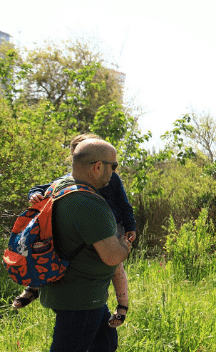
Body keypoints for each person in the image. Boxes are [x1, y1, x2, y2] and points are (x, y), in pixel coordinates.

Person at [16, 134, 137, 329]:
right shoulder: (69, 183)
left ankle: (122, 304)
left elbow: (124, 204)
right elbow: (42, 188)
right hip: (80, 290)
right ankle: (33, 287)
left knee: (117, 267)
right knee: (47, 251)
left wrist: (130, 227)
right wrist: (34, 194)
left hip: (110, 226)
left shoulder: (111, 179)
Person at [40, 138, 132, 351]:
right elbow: (112, 256)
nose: (114, 172)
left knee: (106, 344)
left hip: (81, 293)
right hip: (80, 298)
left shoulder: (61, 186)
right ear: (98, 166)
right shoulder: (87, 203)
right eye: (113, 166)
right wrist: (124, 246)